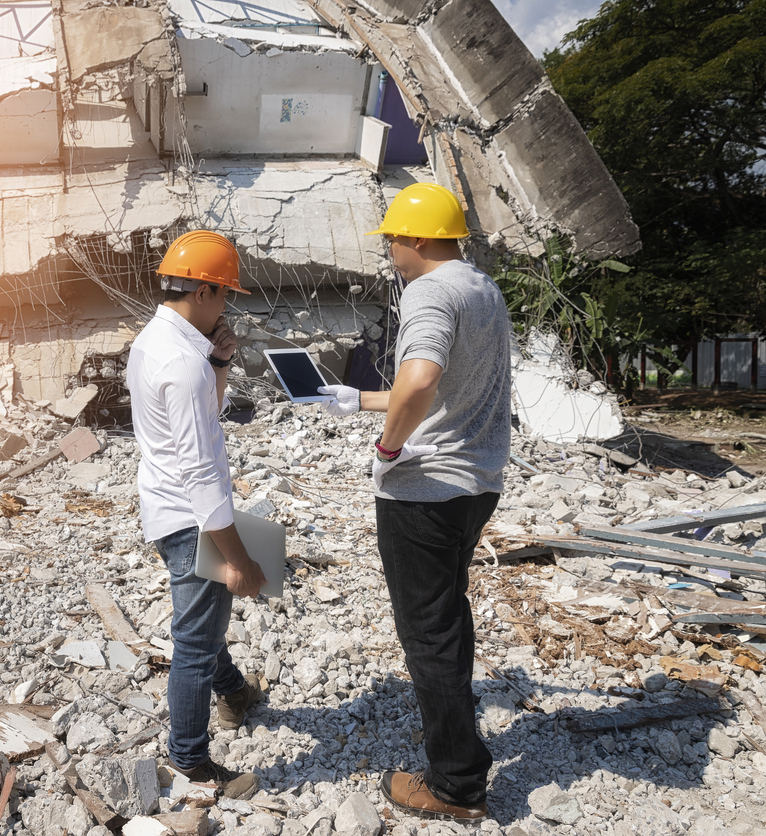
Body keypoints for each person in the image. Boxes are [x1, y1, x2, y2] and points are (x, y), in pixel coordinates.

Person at [319, 183, 511, 823]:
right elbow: (443, 385)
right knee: (448, 615)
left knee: (426, 635)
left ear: (420, 239)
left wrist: (390, 445)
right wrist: (363, 398)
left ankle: (457, 784)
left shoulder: (428, 291)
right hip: (476, 483)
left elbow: (423, 378)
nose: (392, 253)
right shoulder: (482, 288)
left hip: (424, 489)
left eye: (395, 241)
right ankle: (460, 750)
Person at [126, 230, 267, 800]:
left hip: (163, 506)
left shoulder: (154, 342)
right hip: (191, 517)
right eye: (225, 294)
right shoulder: (182, 362)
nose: (227, 306)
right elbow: (203, 471)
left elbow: (197, 417)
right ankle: (191, 760)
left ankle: (235, 691)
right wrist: (238, 558)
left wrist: (221, 364)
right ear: (206, 291)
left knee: (201, 616)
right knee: (193, 638)